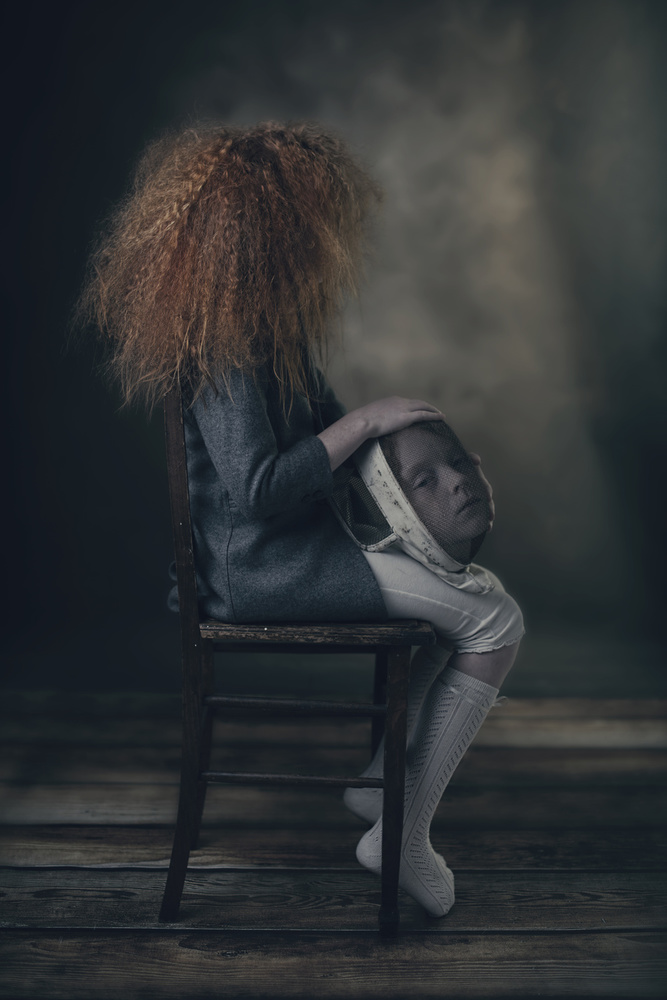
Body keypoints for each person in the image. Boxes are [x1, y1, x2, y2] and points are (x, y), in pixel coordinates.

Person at [78, 121, 524, 919]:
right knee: (494, 623)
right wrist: (368, 420)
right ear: (258, 237)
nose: (319, 244)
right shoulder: (223, 349)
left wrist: (428, 467)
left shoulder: (269, 332)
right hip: (260, 574)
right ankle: (401, 835)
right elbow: (258, 489)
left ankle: (376, 785)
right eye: (303, 227)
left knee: (466, 605)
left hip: (301, 552)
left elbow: (333, 444)